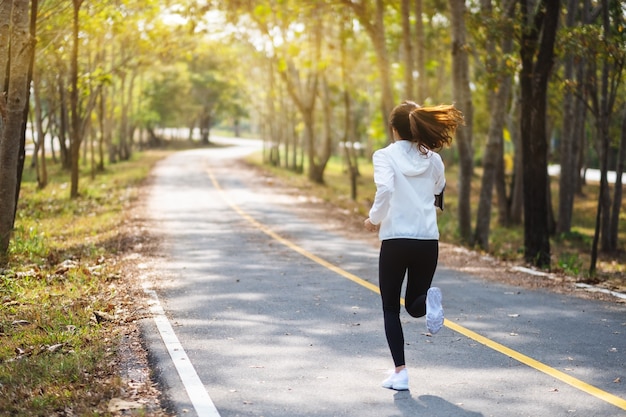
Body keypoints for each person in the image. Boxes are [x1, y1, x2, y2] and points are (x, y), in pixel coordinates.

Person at [364, 101, 464, 391]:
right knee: (415, 304)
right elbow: (438, 189)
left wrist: (373, 219)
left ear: (394, 129)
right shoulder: (432, 158)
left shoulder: (384, 155)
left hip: (396, 238)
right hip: (427, 239)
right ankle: (430, 301)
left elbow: (385, 189)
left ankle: (400, 372)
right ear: (418, 126)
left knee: (390, 308)